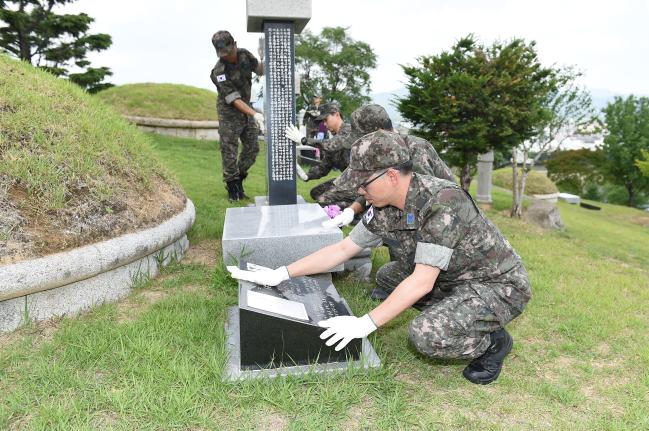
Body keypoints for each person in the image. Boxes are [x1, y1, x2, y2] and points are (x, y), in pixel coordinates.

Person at [227, 130, 531, 385]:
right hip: (453, 277)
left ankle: (492, 342)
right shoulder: (384, 204)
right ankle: (462, 314)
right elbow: (343, 249)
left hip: (497, 285)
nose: (359, 191)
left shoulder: (443, 201)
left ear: (392, 176)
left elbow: (422, 281)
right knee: (388, 277)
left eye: (364, 182)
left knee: (426, 335)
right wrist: (281, 273)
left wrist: (365, 324)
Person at [323, 104, 455, 232]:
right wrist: (351, 210)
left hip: (444, 217)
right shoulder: (381, 151)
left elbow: (422, 198)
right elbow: (373, 185)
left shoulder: (415, 149)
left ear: (380, 132)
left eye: (365, 139)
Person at [210, 30, 265, 202]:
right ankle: (232, 187)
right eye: (222, 54)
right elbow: (234, 99)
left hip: (247, 110)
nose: (226, 56)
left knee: (252, 149)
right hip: (229, 113)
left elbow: (261, 71)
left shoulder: (245, 55)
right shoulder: (218, 71)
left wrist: (264, 56)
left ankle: (239, 179)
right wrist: (255, 114)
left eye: (228, 51)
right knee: (229, 150)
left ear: (235, 44)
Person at [285, 102, 358, 209]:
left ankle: (355, 209)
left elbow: (333, 145)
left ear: (336, 115)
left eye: (325, 119)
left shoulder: (349, 131)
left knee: (323, 200)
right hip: (346, 180)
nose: (324, 124)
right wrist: (307, 176)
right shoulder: (333, 140)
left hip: (359, 184)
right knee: (315, 192)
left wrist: (304, 140)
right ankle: (346, 202)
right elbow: (324, 166)